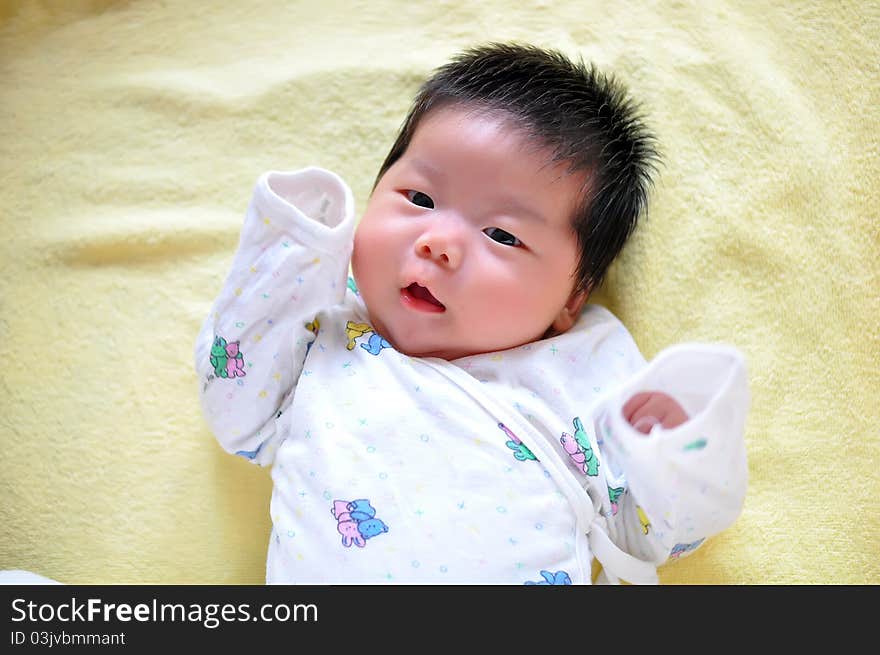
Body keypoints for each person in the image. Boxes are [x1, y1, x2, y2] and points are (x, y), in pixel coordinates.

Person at [194, 43, 749, 585]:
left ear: (571, 299)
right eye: (418, 199)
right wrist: (293, 250)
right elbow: (237, 415)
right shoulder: (327, 325)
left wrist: (667, 451)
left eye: (502, 235)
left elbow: (655, 538)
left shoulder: (583, 368)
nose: (439, 242)